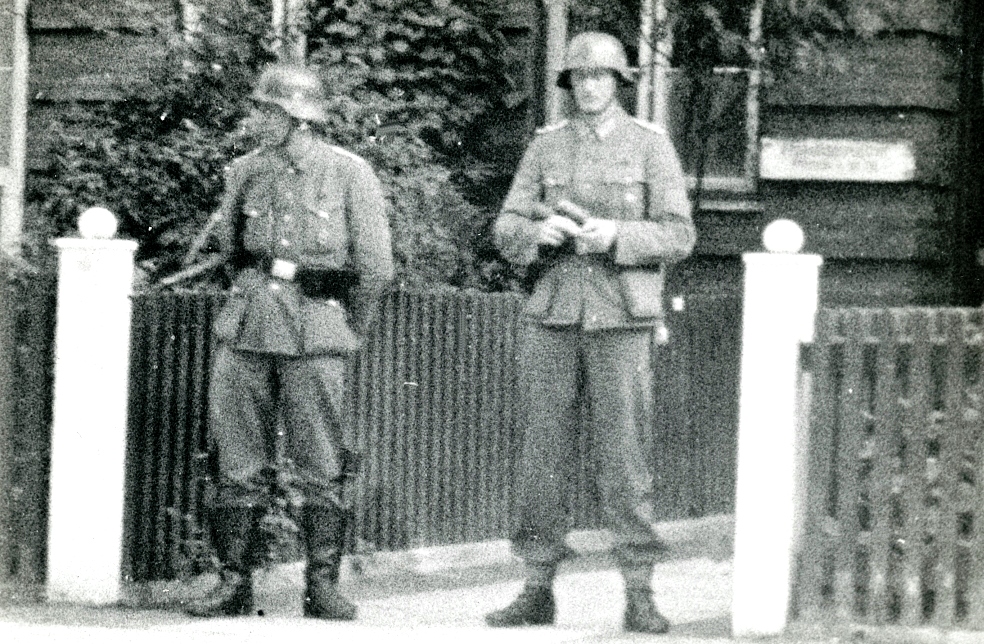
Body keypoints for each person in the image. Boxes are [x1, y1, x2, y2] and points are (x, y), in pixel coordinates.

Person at [484, 32, 696, 634]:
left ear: (619, 83)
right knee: (541, 454)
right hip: (553, 315)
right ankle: (537, 586)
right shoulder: (546, 145)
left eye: (600, 76)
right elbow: (506, 224)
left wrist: (616, 236)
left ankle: (639, 591)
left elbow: (679, 234)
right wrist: (536, 234)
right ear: (569, 85)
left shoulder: (650, 145)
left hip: (622, 317)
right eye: (579, 77)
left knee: (625, 455)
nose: (589, 86)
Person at [183, 63, 394, 620]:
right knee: (236, 457)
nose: (260, 119)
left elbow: (374, 269)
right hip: (248, 329)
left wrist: (344, 330)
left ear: (299, 118)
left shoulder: (349, 173)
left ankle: (321, 587)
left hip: (315, 331)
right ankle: (233, 584)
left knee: (321, 461)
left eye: (270, 111)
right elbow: (231, 251)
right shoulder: (245, 171)